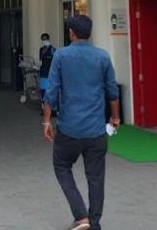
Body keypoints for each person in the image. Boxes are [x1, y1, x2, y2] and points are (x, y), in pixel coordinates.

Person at [43, 15, 120, 230]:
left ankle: (81, 216)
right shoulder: (102, 56)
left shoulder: (61, 55)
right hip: (96, 131)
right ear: (90, 33)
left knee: (61, 166)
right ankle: (94, 223)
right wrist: (115, 118)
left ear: (71, 33)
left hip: (69, 129)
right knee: (96, 177)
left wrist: (46, 122)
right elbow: (112, 92)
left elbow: (51, 92)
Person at [38, 32, 56, 104]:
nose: (44, 40)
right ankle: (44, 105)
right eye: (42, 39)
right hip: (43, 72)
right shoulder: (41, 49)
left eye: (45, 39)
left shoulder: (53, 49)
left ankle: (51, 107)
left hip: (50, 73)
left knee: (49, 91)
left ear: (48, 39)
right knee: (43, 90)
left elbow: (55, 61)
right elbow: (40, 60)